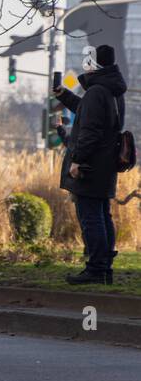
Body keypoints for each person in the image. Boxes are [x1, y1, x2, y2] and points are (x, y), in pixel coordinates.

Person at [55, 43, 128, 284]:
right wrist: (64, 95)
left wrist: (78, 160)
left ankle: (96, 269)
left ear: (94, 65)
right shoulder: (112, 91)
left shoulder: (98, 91)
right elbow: (88, 112)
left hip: (92, 165)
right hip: (105, 164)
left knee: (91, 217)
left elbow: (91, 130)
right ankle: (104, 268)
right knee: (102, 215)